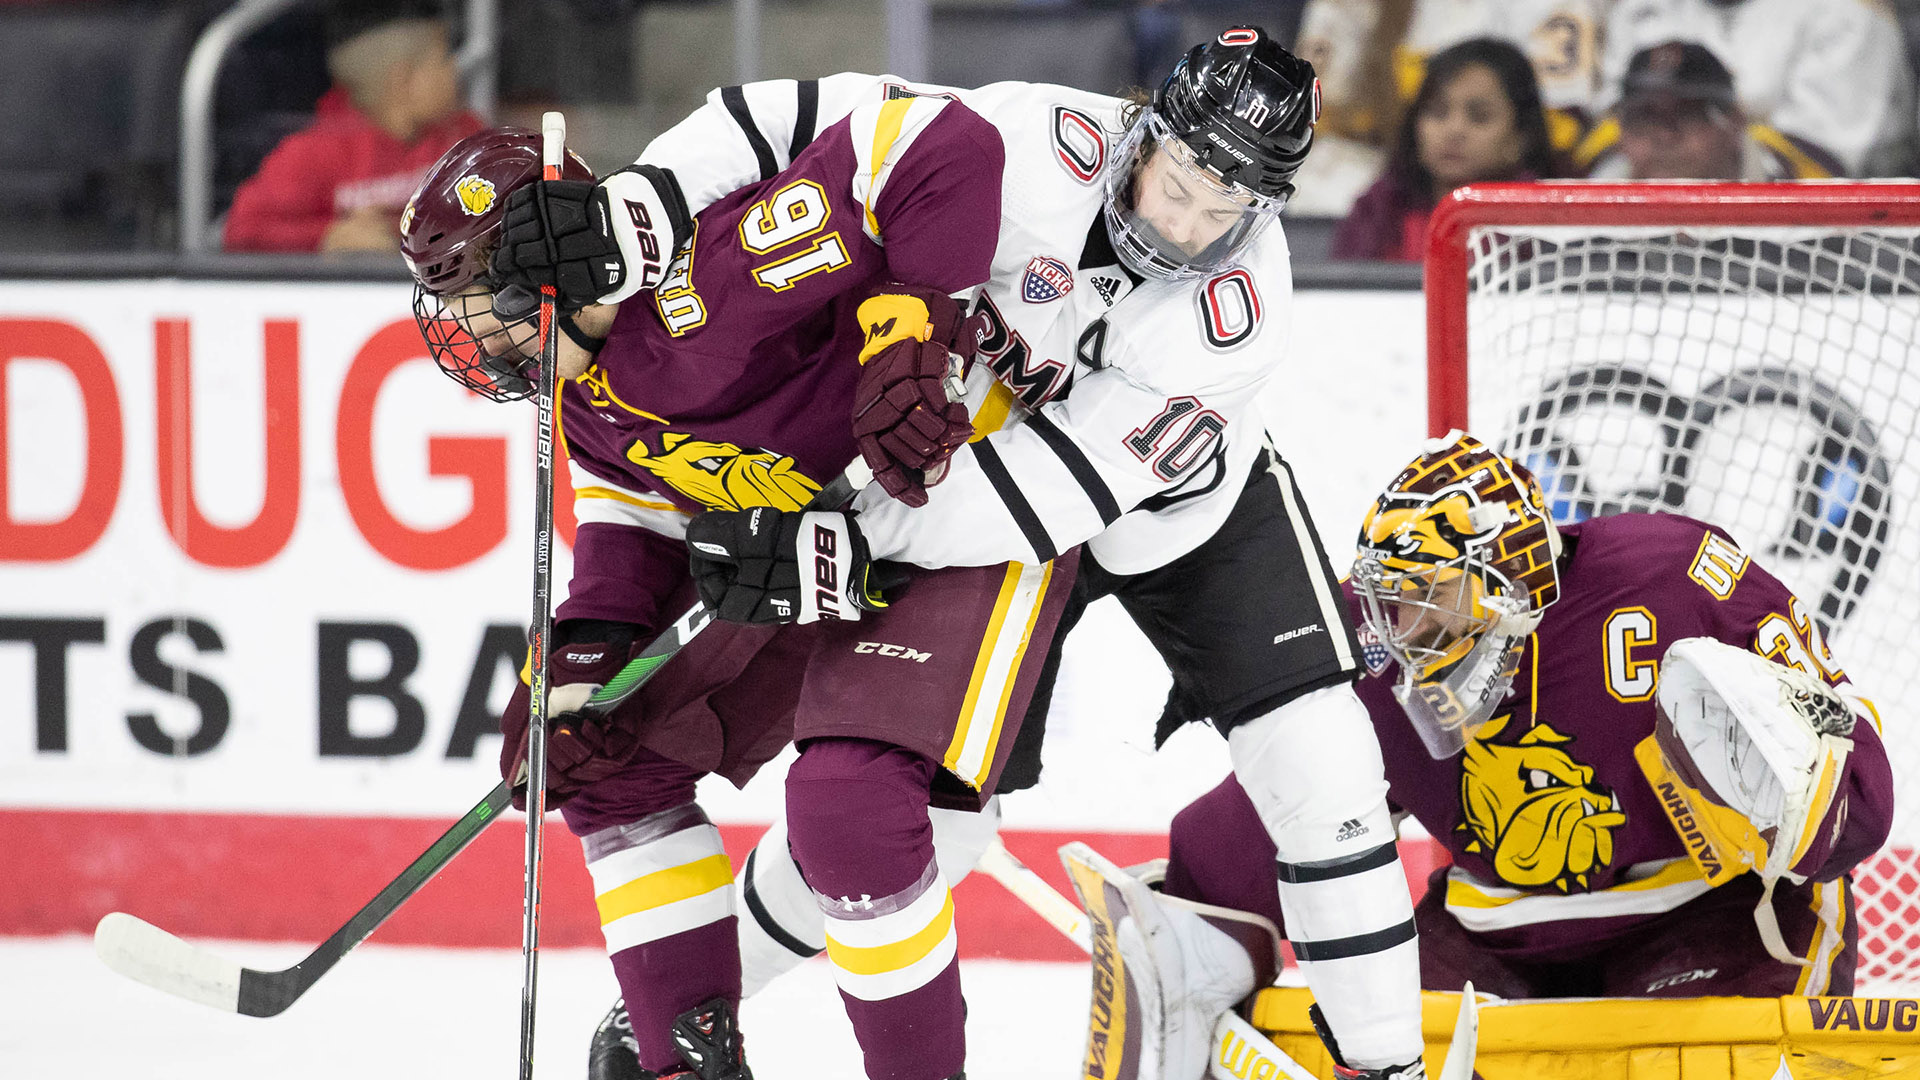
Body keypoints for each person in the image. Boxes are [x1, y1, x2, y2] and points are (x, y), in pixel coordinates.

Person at [557, 30, 1429, 1080]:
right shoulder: (1027, 136)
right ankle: (699, 999)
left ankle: (1390, 1064)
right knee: (915, 820)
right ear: (1143, 130)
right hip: (973, 496)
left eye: (1224, 210)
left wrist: (840, 533)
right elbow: (789, 118)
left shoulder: (1238, 319)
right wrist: (638, 208)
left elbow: (1046, 495)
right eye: (1181, 181)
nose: (1183, 225)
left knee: (1319, 762)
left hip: (1172, 515)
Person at [1159, 431, 1894, 1002]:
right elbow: (1302, 801)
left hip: (1713, 909)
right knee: (1384, 1043)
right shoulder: (1370, 643)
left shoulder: (1672, 580)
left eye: (1426, 600)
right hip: (1499, 927)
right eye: (1388, 600)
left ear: (1509, 589)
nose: (1397, 632)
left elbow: (1848, 771)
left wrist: (1816, 806)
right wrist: (1193, 922)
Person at [224, 0, 479, 253]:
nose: (455, 70)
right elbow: (241, 229)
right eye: (444, 59)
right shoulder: (312, 151)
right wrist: (329, 236)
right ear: (403, 80)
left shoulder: (465, 134)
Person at [1597, 0, 1915, 177]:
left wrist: (1721, 146)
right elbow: (1611, 132)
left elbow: (1827, 165)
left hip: (1833, 253)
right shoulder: (1638, 8)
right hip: (1649, 235)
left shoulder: (1847, 11)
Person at [1332, 37, 1557, 262]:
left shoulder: (1547, 222)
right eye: (1437, 112)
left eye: (1479, 117)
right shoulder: (1379, 210)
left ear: (1521, 137)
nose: (1454, 130)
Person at [1577, 40, 1832, 180]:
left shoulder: (1799, 200)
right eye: (1646, 119)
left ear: (1735, 123)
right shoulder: (1582, 209)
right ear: (1622, 132)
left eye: (1689, 116)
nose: (1666, 137)